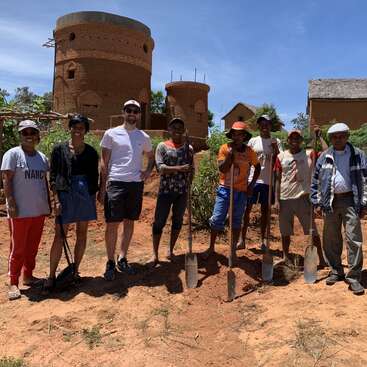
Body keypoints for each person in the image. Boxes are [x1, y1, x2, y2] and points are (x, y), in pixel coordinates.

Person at [98, 99, 154, 280]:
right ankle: (110, 262)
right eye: (128, 110)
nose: (132, 114)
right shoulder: (111, 134)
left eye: (135, 111)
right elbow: (103, 162)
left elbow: (151, 157)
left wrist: (147, 171)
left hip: (135, 185)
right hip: (116, 182)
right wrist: (102, 187)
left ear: (139, 114)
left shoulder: (143, 137)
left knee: (130, 221)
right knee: (112, 224)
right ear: (123, 112)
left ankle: (122, 257)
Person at [311, 122, 367, 295]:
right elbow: (316, 180)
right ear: (331, 139)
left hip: (351, 200)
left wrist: (364, 203)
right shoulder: (324, 156)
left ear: (347, 136)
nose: (338, 139)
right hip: (330, 202)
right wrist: (317, 202)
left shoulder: (358, 154)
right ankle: (336, 270)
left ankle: (354, 277)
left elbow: (365, 179)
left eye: (341, 135)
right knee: (331, 237)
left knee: (354, 239)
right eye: (334, 137)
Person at [44, 114, 99, 290]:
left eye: (81, 127)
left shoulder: (91, 152)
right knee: (60, 236)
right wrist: (56, 200)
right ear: (70, 128)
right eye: (74, 127)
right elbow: (53, 176)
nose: (77, 130)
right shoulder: (59, 150)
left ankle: (75, 271)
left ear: (86, 131)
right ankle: (51, 275)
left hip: (84, 196)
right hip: (65, 194)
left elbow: (94, 178)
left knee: (82, 234)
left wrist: (92, 199)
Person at [1, 120, 50, 300]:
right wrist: (11, 203)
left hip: (37, 211)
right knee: (18, 248)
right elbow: (6, 179)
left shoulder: (42, 158)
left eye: (32, 132)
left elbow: (44, 182)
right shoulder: (12, 155)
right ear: (20, 136)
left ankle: (28, 276)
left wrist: (48, 205)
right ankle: (13, 282)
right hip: (19, 212)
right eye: (25, 132)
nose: (28, 135)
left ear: (37, 135)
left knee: (32, 247)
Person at [202, 121, 260, 259]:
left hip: (241, 191)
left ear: (244, 136)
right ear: (232, 135)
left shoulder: (249, 152)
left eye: (241, 134)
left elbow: (257, 167)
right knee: (217, 219)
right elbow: (222, 169)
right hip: (225, 189)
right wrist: (230, 156)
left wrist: (251, 185)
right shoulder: (224, 148)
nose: (237, 137)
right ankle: (211, 248)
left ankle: (233, 250)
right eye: (235, 134)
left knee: (236, 221)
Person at [274, 128, 327, 266]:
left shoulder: (309, 154)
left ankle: (321, 259)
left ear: (301, 141)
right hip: (285, 199)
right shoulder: (281, 157)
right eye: (292, 138)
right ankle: (286, 256)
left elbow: (327, 152)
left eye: (297, 138)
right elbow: (278, 179)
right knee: (285, 231)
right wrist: (276, 200)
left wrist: (319, 137)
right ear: (288, 141)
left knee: (312, 231)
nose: (294, 141)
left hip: (303, 198)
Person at [151, 117, 194, 266]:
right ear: (169, 130)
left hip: (182, 192)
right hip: (165, 191)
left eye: (180, 127)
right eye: (174, 127)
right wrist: (180, 169)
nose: (177, 130)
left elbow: (192, 168)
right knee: (159, 222)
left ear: (183, 130)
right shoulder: (162, 146)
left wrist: (189, 183)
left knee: (177, 222)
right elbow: (160, 168)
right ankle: (155, 255)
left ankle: (171, 251)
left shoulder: (189, 148)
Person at [237, 115, 282, 251]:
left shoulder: (276, 141)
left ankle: (263, 241)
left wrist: (275, 149)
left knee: (265, 212)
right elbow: (246, 159)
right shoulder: (253, 141)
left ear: (270, 126)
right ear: (259, 126)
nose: (264, 126)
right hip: (252, 180)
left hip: (268, 182)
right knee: (246, 210)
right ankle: (242, 240)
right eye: (261, 124)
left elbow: (279, 161)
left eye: (267, 124)